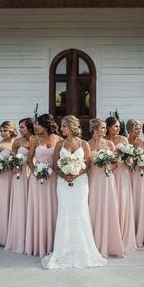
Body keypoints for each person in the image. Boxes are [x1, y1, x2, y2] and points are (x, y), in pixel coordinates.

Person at [42, 115, 107, 269]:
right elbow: (55, 165)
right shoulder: (59, 144)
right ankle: (62, 250)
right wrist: (65, 175)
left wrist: (76, 174)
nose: (61, 129)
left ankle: (83, 250)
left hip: (80, 183)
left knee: (80, 212)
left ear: (71, 127)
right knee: (64, 213)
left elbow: (89, 164)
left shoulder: (84, 144)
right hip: (63, 184)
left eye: (64, 126)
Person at [25, 114, 61, 257]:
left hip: (53, 178)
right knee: (39, 208)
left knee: (53, 207)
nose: (35, 126)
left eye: (38, 124)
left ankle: (53, 242)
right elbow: (29, 160)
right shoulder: (35, 139)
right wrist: (36, 172)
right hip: (37, 180)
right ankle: (38, 242)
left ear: (45, 125)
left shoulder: (59, 139)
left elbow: (60, 159)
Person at [88, 118, 123, 257]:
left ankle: (109, 243)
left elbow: (116, 163)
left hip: (107, 178)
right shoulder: (87, 144)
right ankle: (93, 242)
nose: (105, 130)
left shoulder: (109, 144)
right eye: (102, 128)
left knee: (108, 207)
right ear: (95, 129)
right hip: (94, 179)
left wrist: (108, 166)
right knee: (94, 207)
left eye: (104, 127)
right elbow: (86, 163)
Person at [105, 116, 136, 252]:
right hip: (110, 173)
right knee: (112, 203)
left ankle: (123, 235)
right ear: (108, 127)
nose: (118, 129)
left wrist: (128, 157)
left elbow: (130, 159)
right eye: (115, 126)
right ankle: (111, 236)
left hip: (122, 172)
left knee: (122, 202)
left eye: (118, 126)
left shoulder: (123, 140)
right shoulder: (104, 141)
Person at [5, 118, 34, 254]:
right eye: (19, 127)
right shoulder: (17, 142)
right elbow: (11, 160)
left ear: (29, 127)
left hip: (35, 173)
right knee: (21, 203)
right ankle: (20, 235)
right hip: (20, 174)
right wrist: (15, 162)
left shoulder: (37, 139)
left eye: (22, 127)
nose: (20, 130)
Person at [126, 119, 144, 247]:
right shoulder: (125, 141)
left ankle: (140, 233)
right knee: (128, 202)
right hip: (128, 175)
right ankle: (128, 232)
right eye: (136, 128)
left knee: (139, 202)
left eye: (139, 128)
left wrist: (143, 161)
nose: (139, 131)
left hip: (141, 175)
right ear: (130, 129)